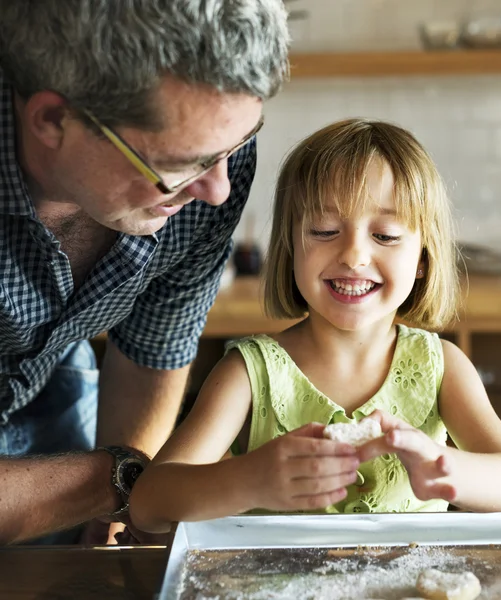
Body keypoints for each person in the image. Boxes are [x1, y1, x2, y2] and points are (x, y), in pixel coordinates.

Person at [129, 118, 501, 534]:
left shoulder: (442, 367)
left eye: (384, 235)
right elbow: (149, 503)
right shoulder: (249, 372)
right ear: (290, 247)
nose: (353, 255)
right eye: (325, 230)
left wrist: (444, 468)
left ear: (423, 258)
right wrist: (248, 481)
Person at [0, 0, 289, 545]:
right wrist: (118, 479)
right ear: (52, 121)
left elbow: (152, 353)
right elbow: (126, 478)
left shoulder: (211, 168)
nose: (219, 189)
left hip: (50, 384)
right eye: (180, 165)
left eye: (237, 145)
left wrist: (112, 519)